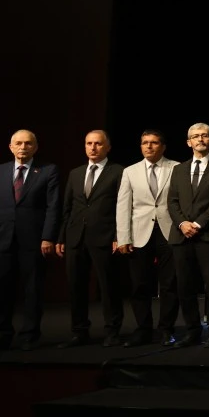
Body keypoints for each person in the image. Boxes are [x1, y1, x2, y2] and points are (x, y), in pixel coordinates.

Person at [57, 129, 124, 348]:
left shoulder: (118, 171)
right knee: (76, 287)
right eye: (89, 143)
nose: (93, 148)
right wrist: (61, 237)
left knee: (109, 287)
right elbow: (67, 208)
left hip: (105, 237)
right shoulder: (75, 173)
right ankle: (79, 332)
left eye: (98, 143)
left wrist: (119, 235)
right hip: (75, 237)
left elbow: (122, 207)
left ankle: (112, 331)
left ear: (108, 147)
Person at [115, 129, 179, 347]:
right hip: (139, 233)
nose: (149, 146)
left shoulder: (177, 168)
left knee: (169, 284)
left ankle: (166, 329)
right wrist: (123, 237)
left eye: (154, 142)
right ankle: (143, 329)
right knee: (139, 284)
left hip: (169, 232)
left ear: (163, 146)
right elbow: (123, 205)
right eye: (145, 143)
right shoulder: (130, 171)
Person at [167, 122, 209, 347]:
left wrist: (198, 223)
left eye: (204, 136)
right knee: (185, 286)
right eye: (195, 136)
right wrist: (183, 223)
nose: (200, 139)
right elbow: (172, 201)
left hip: (208, 236)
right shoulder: (178, 169)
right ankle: (192, 331)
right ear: (188, 142)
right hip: (181, 236)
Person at [0, 130, 59, 352]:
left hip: (34, 241)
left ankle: (30, 335)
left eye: (28, 143)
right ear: (10, 147)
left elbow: (53, 206)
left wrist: (48, 237)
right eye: (18, 143)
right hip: (3, 240)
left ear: (35, 147)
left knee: (33, 289)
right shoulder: (1, 170)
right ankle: (3, 334)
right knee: (3, 289)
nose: (23, 147)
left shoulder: (48, 170)